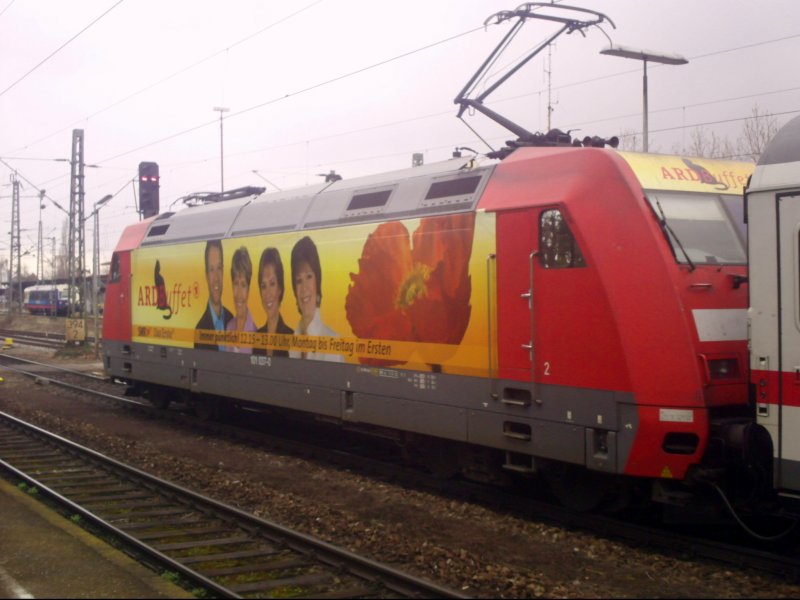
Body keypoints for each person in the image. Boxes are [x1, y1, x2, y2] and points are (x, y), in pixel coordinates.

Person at [290, 236, 343, 362]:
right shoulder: (292, 340)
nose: (304, 288)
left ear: (317, 281)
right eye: (299, 281)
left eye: (309, 277)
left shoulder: (332, 341)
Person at [194, 239, 233, 350]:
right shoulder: (199, 329)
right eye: (211, 270)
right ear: (206, 275)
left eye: (219, 268)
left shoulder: (232, 320)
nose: (216, 278)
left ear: (223, 271)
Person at [254, 247, 293, 357]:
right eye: (263, 286)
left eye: (272, 284)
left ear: (280, 288)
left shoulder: (291, 337)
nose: (267, 294)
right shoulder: (257, 337)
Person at [225, 246, 258, 353]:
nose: (239, 293)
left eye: (243, 285)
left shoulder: (255, 333)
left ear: (249, 289)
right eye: (235, 284)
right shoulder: (229, 328)